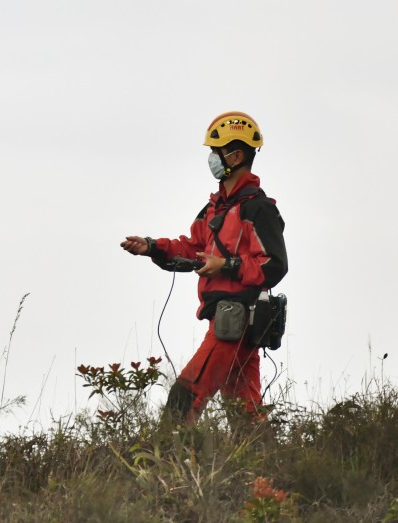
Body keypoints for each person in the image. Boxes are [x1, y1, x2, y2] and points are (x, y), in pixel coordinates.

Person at [120, 111, 288, 424]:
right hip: (229, 323)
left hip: (235, 323)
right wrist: (154, 247)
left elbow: (274, 265)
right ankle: (266, 472)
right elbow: (194, 249)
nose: (212, 158)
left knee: (185, 397)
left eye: (216, 151)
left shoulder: (258, 208)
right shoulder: (215, 208)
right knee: (245, 415)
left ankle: (171, 468)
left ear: (236, 155)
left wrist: (226, 266)